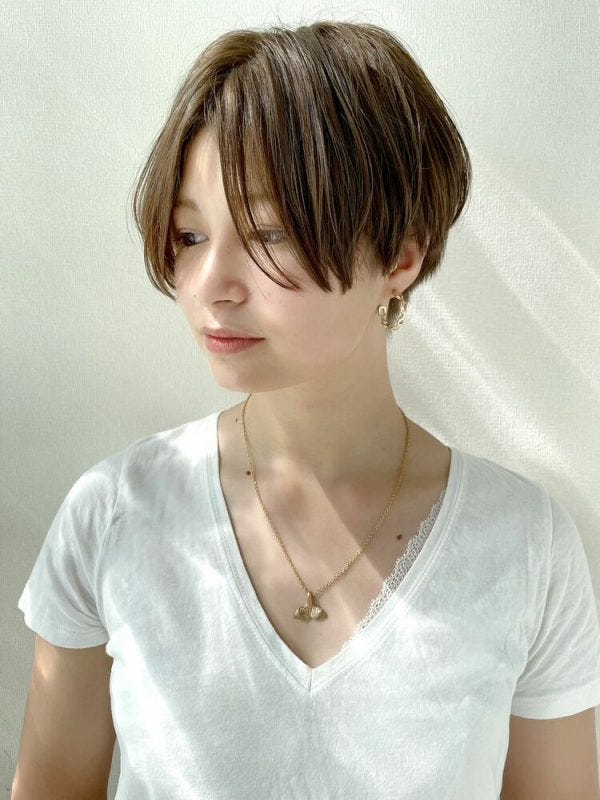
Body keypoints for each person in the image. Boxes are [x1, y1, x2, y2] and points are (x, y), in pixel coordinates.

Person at [13, 20, 600, 800]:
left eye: (269, 234)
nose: (210, 285)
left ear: (401, 257)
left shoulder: (523, 544)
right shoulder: (117, 514)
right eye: (190, 234)